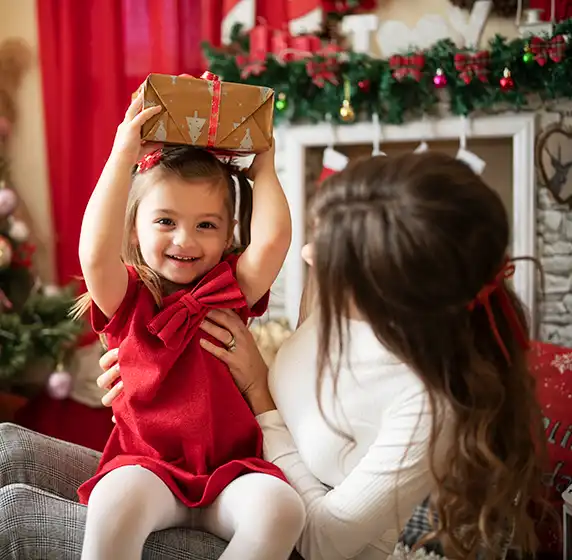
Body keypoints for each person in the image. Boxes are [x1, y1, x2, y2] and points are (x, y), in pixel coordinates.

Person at [0, 152, 547, 560]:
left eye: (332, 249)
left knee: (14, 514)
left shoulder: (428, 407)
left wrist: (259, 394)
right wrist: (148, 375)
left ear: (390, 284)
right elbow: (103, 260)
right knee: (10, 447)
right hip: (164, 463)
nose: (308, 254)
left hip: (279, 520)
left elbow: (321, 538)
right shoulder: (331, 305)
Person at [71, 89, 304, 560]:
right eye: (165, 221)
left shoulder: (227, 288)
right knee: (113, 500)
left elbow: (275, 237)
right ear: (134, 225)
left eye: (206, 225)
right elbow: (94, 252)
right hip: (148, 467)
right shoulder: (129, 295)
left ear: (229, 232)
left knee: (283, 509)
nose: (185, 239)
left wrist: (264, 167)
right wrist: (123, 155)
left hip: (231, 472)